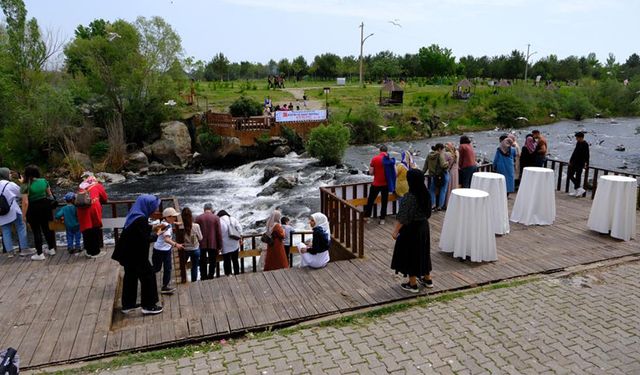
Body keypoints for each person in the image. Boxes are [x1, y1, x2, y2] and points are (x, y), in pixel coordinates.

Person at [112, 194, 164, 315]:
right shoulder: (140, 219)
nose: (155, 210)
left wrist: (152, 227)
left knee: (130, 276)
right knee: (148, 276)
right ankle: (149, 305)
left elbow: (138, 230)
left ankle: (128, 305)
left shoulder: (136, 214)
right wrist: (157, 234)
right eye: (154, 207)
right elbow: (144, 238)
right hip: (136, 255)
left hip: (127, 253)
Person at [391, 169, 433, 293]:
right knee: (423, 252)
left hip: (411, 229)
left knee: (410, 254)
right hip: (424, 227)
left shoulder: (409, 197)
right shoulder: (426, 194)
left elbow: (403, 217)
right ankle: (427, 279)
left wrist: (395, 231)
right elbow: (428, 213)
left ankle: (412, 283)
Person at [21, 165, 57, 260]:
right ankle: (51, 248)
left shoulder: (25, 185)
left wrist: (23, 215)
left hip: (33, 208)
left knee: (36, 231)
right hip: (45, 207)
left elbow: (25, 202)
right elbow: (50, 194)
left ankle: (40, 253)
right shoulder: (44, 181)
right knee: (47, 229)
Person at [0, 168, 32, 258]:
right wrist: (23, 183)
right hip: (12, 210)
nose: (10, 175)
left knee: (5, 231)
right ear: (5, 174)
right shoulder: (9, 184)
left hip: (1, 212)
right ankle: (24, 249)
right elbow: (22, 193)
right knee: (21, 226)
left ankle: (10, 252)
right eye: (9, 173)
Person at [76, 173, 108, 258]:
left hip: (81, 210)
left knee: (86, 230)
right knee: (95, 229)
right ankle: (95, 252)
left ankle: (88, 251)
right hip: (93, 209)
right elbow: (105, 198)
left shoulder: (81, 187)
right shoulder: (97, 185)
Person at [152, 207, 183, 294]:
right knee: (158, 268)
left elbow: (168, 224)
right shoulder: (166, 227)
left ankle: (165, 287)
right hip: (162, 250)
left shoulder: (164, 223)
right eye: (174, 217)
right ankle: (149, 280)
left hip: (161, 249)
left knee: (166, 268)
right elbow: (166, 239)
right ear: (168, 217)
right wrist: (176, 245)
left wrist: (176, 223)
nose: (175, 218)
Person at [364, 145, 395, 224]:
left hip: (376, 183)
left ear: (379, 150)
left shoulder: (375, 159)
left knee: (371, 200)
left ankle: (367, 217)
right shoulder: (390, 160)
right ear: (387, 151)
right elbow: (395, 172)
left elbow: (371, 172)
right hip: (386, 184)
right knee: (384, 201)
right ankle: (382, 219)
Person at [195, 203, 223, 279]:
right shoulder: (216, 218)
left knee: (202, 261)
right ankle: (211, 276)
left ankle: (203, 276)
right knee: (212, 261)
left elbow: (195, 231)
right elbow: (219, 233)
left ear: (204, 209)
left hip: (201, 243)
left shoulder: (198, 218)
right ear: (211, 209)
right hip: (213, 243)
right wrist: (220, 245)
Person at [424, 143, 449, 211]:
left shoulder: (429, 155)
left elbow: (425, 166)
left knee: (432, 190)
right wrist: (447, 163)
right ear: (440, 149)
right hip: (442, 175)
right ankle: (440, 206)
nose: (444, 150)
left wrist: (422, 173)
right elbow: (443, 165)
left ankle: (433, 204)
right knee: (443, 190)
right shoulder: (440, 155)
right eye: (443, 149)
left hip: (433, 175)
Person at [218, 210, 242, 276]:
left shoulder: (219, 221)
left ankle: (228, 275)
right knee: (235, 260)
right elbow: (240, 229)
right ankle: (237, 274)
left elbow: (218, 234)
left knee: (226, 261)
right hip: (234, 243)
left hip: (225, 244)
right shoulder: (233, 219)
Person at [181, 207, 202, 282]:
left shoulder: (181, 227)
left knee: (183, 265)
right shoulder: (196, 226)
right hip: (195, 249)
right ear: (191, 216)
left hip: (185, 249)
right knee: (194, 267)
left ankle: (184, 279)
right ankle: (194, 281)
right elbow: (200, 238)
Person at [568, 131, 590, 196]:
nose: (576, 139)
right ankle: (579, 188)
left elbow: (587, 155)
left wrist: (587, 163)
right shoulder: (578, 143)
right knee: (570, 175)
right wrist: (570, 160)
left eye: (577, 137)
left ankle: (577, 190)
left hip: (580, 163)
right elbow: (574, 152)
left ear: (581, 137)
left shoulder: (585, 144)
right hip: (574, 162)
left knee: (578, 177)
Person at [444, 142, 459, 207]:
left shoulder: (447, 154)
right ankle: (454, 203)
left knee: (449, 187)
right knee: (454, 186)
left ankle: (447, 203)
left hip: (450, 172)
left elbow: (444, 164)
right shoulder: (457, 153)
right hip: (456, 171)